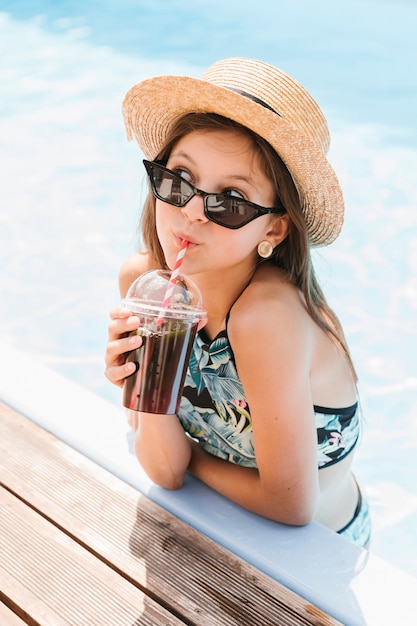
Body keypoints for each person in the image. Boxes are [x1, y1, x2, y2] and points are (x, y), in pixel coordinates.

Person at [105, 57, 371, 548]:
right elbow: (164, 472)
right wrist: (147, 385)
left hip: (318, 561)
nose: (191, 211)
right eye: (178, 179)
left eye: (229, 198)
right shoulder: (144, 282)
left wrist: (187, 455)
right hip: (214, 529)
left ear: (273, 228)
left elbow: (290, 506)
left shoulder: (264, 318)